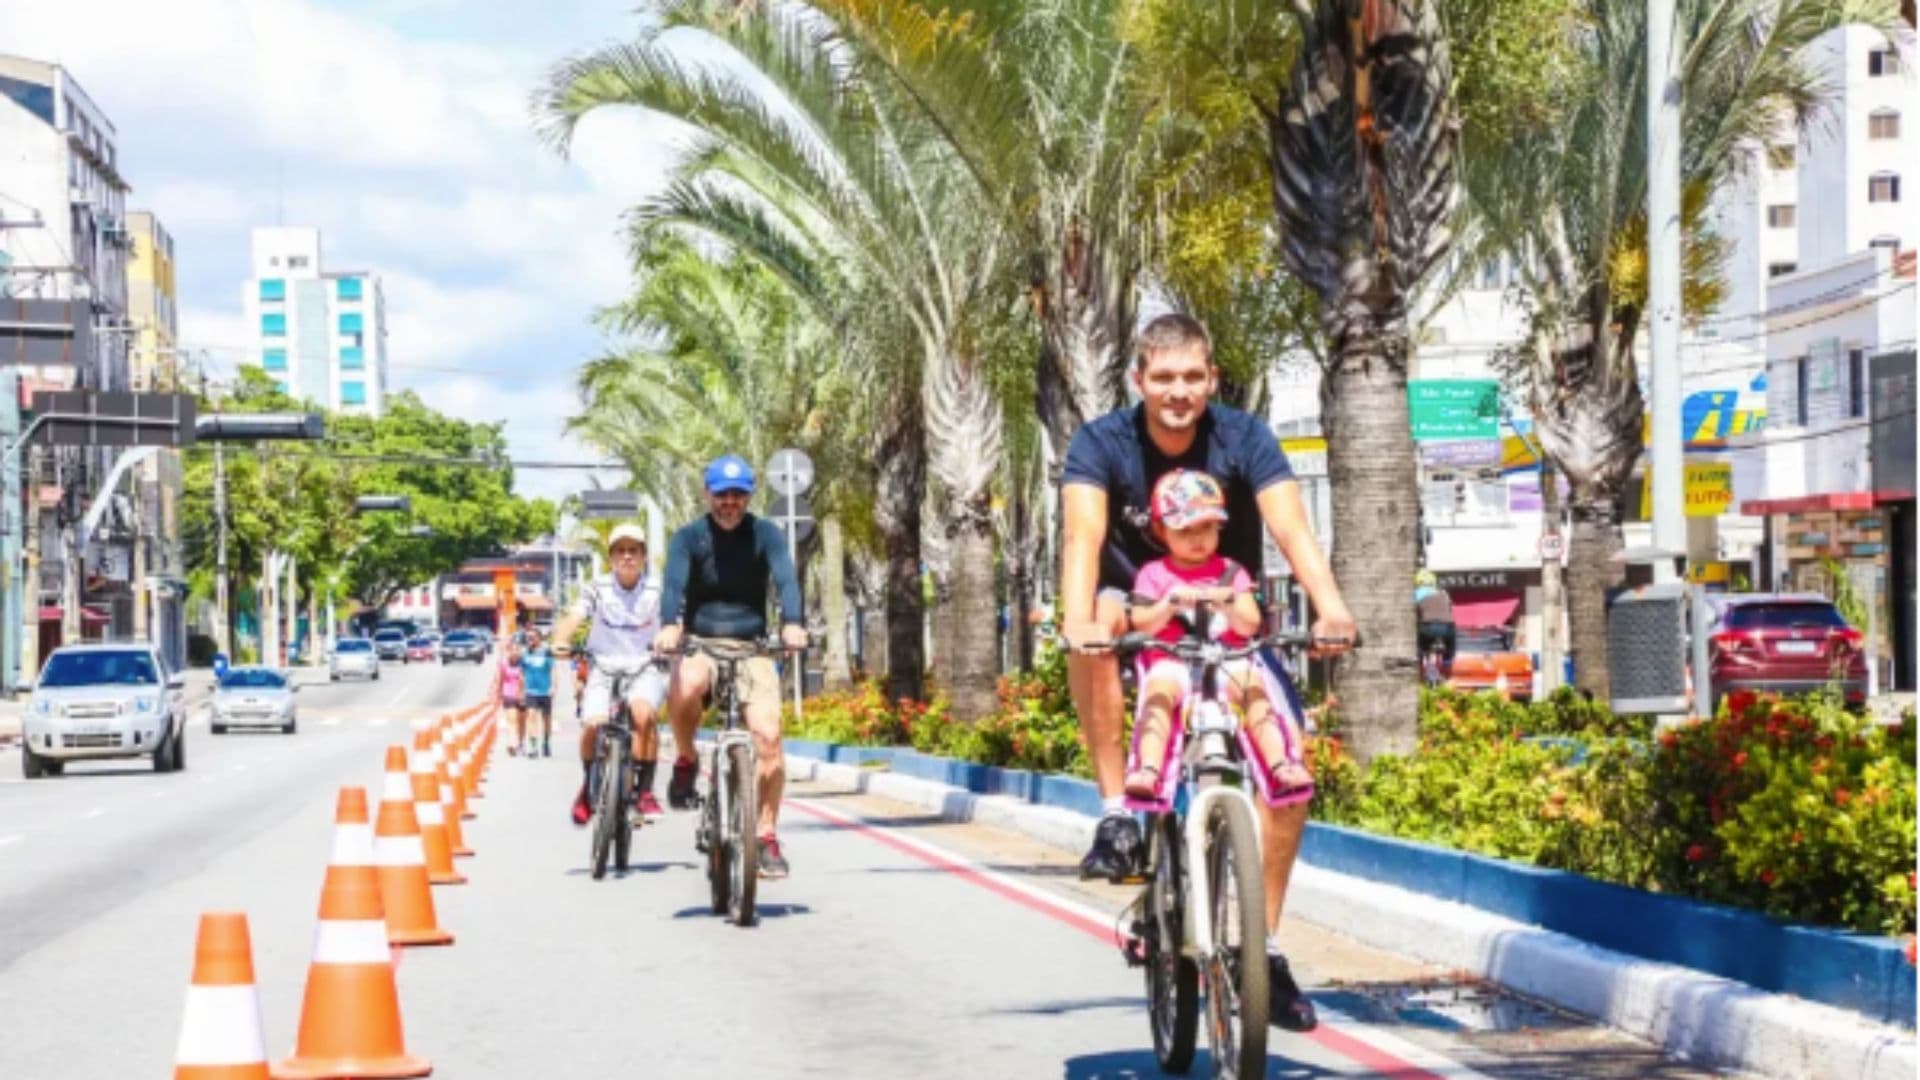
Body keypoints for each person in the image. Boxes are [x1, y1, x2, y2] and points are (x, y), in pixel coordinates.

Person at [1060, 312, 1356, 1032]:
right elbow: (1083, 537)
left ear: (1212, 379)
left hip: (1230, 615)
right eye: (1163, 377)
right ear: (1139, 381)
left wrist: (1332, 608)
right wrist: (1081, 623)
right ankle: (1115, 818)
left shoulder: (1244, 437)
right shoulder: (1101, 443)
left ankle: (1266, 948)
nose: (1178, 391)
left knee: (1288, 772)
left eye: (1193, 376)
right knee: (1092, 632)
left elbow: (1291, 528)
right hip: (1134, 608)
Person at [655, 454, 808, 880]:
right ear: (708, 494)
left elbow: (786, 579)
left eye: (738, 494)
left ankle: (765, 835)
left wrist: (793, 622)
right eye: (722, 494)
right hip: (702, 641)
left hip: (753, 645)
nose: (729, 502)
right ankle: (686, 760)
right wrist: (670, 626)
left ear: (749, 496)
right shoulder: (688, 537)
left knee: (770, 741)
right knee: (685, 684)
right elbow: (673, 585)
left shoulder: (766, 534)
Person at [1123, 469, 1312, 803]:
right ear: (1161, 530)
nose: (1198, 539)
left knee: (1255, 693)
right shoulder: (1153, 575)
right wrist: (1168, 605)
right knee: (1159, 696)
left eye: (1207, 528)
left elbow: (1249, 624)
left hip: (1228, 659)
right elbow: (1142, 623)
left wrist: (1229, 603)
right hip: (1172, 659)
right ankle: (1148, 770)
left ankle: (1279, 764)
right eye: (1186, 530)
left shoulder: (1230, 571)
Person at [552, 523, 669, 825]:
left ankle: (644, 791)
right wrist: (560, 640)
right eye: (621, 551)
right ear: (611, 557)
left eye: (634, 551)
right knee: (593, 726)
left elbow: (675, 621)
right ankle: (589, 787)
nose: (627, 557)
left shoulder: (660, 589)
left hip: (645, 666)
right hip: (602, 667)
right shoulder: (596, 588)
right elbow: (575, 617)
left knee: (643, 715)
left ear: (643, 556)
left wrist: (672, 637)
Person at [520, 627, 557, 758]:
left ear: (539, 638)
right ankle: (533, 747)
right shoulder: (524, 653)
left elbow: (553, 670)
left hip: (545, 691)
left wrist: (553, 687)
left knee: (546, 720)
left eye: (532, 637)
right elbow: (522, 672)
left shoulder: (546, 651)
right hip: (531, 691)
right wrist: (522, 690)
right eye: (528, 638)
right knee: (531, 716)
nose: (529, 640)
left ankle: (546, 742)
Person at [1414, 569, 1456, 678]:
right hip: (1447, 627)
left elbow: (1415, 613)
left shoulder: (1416, 594)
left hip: (1427, 627)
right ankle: (1448, 670)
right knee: (1450, 648)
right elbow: (1450, 609)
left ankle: (1419, 673)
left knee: (1419, 648)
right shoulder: (1444, 593)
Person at [492, 641, 526, 755]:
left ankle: (521, 743)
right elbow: (500, 679)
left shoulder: (524, 664)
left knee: (521, 722)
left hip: (522, 696)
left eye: (517, 650)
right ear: (508, 652)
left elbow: (527, 681)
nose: (515, 653)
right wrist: (498, 694)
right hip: (508, 695)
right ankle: (511, 744)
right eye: (513, 650)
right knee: (512, 720)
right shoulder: (504, 664)